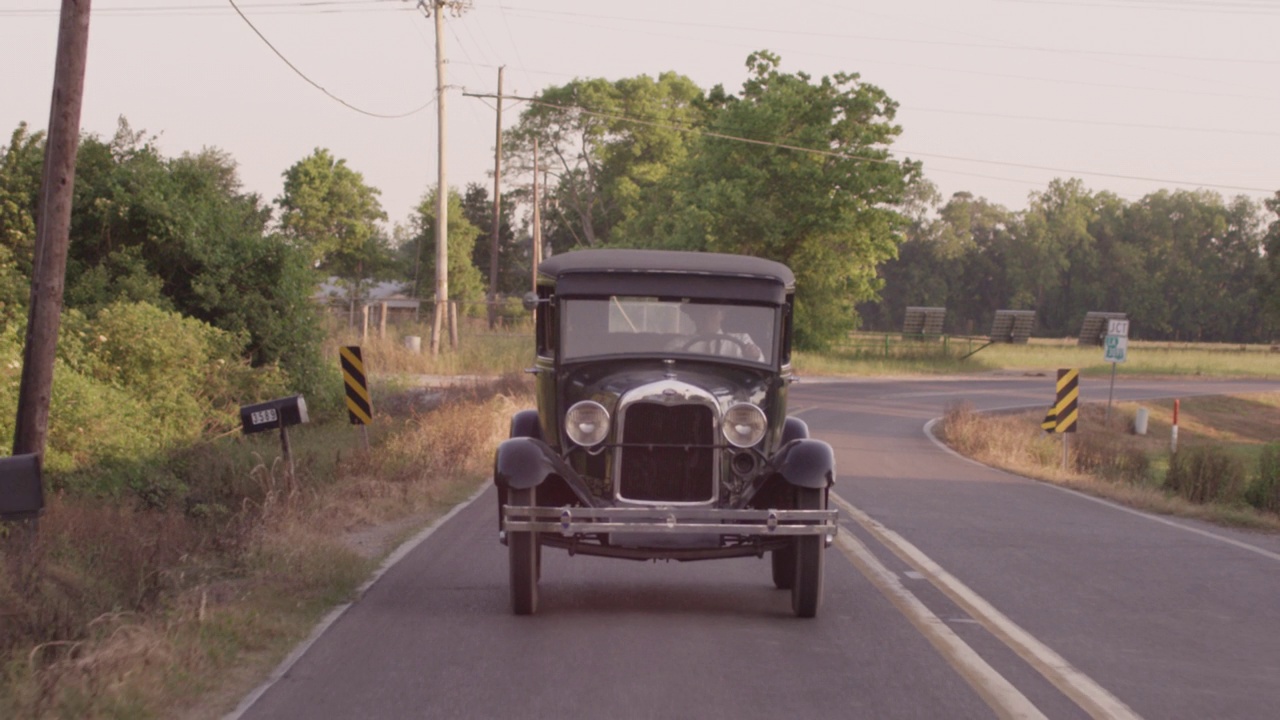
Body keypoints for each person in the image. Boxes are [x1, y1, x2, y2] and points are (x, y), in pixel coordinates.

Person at [673, 304, 764, 360]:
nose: (706, 317)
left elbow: (759, 363)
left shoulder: (742, 340)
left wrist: (753, 355)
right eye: (700, 312)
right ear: (692, 316)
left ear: (722, 315)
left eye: (712, 312)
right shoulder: (679, 344)